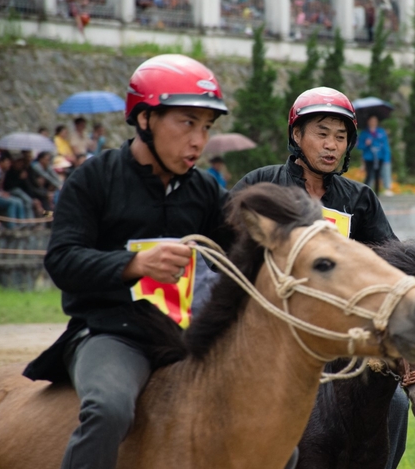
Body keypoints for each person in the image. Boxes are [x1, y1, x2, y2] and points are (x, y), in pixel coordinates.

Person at [21, 54, 246, 469]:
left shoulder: (207, 191)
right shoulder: (93, 178)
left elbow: (243, 258)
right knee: (109, 409)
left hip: (189, 337)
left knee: (269, 430)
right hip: (112, 333)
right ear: (144, 119)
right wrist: (134, 265)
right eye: (187, 122)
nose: (200, 140)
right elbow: (62, 261)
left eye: (207, 127)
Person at [233, 86, 406, 469]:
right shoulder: (262, 185)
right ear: (297, 136)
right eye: (322, 133)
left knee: (395, 402)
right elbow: (222, 254)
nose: (331, 145)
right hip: (270, 339)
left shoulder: (360, 199)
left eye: (340, 137)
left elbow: (389, 264)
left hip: (340, 342)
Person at [358, 115, 393, 196]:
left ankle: (377, 194)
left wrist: (386, 158)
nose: (373, 122)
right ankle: (364, 193)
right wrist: (366, 144)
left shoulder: (381, 132)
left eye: (375, 121)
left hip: (379, 157)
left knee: (378, 175)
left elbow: (385, 146)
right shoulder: (364, 133)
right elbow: (359, 146)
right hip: (368, 157)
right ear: (368, 122)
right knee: (369, 175)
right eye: (371, 121)